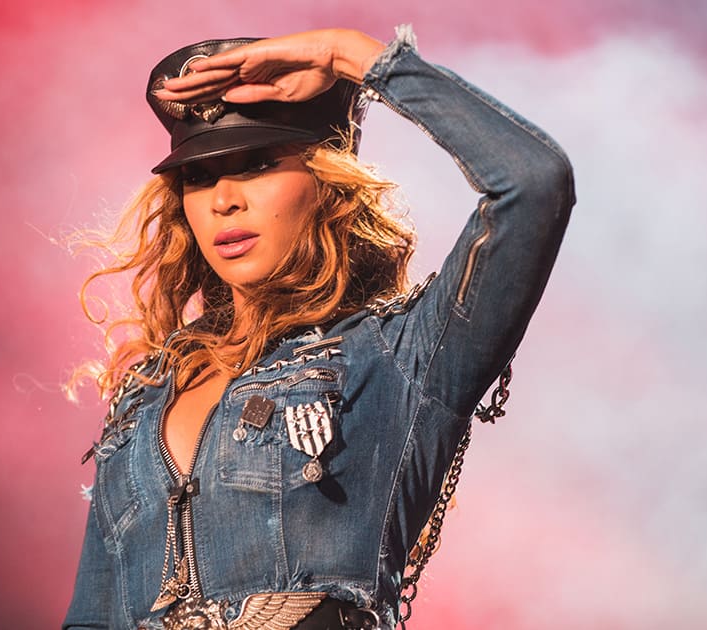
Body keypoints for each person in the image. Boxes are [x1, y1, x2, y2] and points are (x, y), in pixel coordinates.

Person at [64, 25, 574, 630]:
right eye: (199, 177)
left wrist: (351, 58)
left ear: (327, 182)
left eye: (256, 165)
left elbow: (532, 183)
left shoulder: (397, 357)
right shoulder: (144, 394)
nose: (223, 199)